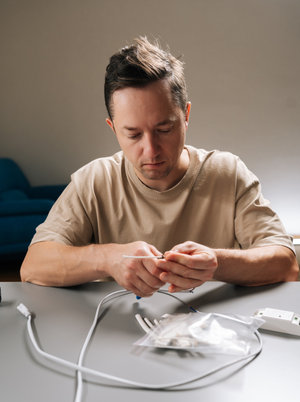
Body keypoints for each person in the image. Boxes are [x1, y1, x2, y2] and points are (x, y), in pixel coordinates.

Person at [21, 37, 299, 295]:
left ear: (186, 116)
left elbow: (287, 265)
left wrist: (217, 264)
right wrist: (107, 259)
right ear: (113, 129)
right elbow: (32, 266)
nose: (151, 150)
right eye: (133, 135)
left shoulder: (229, 173)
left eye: (164, 129)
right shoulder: (93, 181)